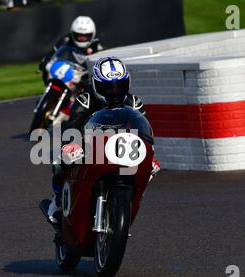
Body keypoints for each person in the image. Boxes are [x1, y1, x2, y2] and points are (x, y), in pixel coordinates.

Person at [46, 56, 161, 224]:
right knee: (58, 161)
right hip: (88, 145)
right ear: (96, 85)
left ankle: (126, 205)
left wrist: (149, 154)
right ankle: (56, 201)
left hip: (120, 147)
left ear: (127, 83)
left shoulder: (134, 103)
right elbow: (72, 126)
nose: (113, 92)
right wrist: (71, 145)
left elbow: (145, 132)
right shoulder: (85, 101)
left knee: (150, 170)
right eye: (107, 88)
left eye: (118, 87)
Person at [38, 16, 103, 84]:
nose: (82, 38)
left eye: (85, 36)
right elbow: (52, 52)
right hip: (67, 70)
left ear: (92, 34)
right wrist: (45, 61)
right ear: (73, 33)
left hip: (86, 75)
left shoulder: (97, 45)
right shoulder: (66, 39)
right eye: (79, 35)